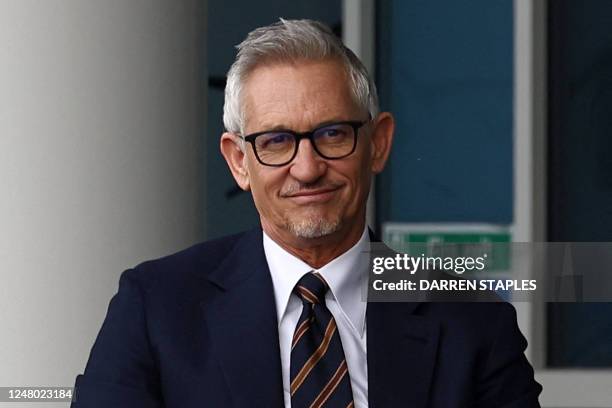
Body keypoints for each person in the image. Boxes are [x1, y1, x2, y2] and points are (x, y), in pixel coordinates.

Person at [71, 19, 542, 408]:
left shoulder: (471, 321)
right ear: (239, 161)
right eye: (276, 141)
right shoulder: (156, 310)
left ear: (377, 144)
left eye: (333, 134)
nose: (308, 167)